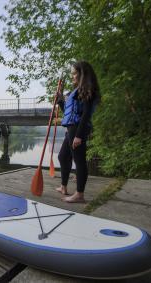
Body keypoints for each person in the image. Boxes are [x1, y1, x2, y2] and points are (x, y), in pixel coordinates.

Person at [55, 61, 101, 203]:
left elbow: (86, 114)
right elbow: (69, 112)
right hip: (71, 127)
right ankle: (63, 186)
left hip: (78, 128)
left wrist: (79, 136)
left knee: (79, 160)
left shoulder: (88, 89)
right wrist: (60, 101)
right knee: (63, 156)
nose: (72, 76)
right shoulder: (75, 91)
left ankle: (79, 194)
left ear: (83, 74)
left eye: (75, 73)